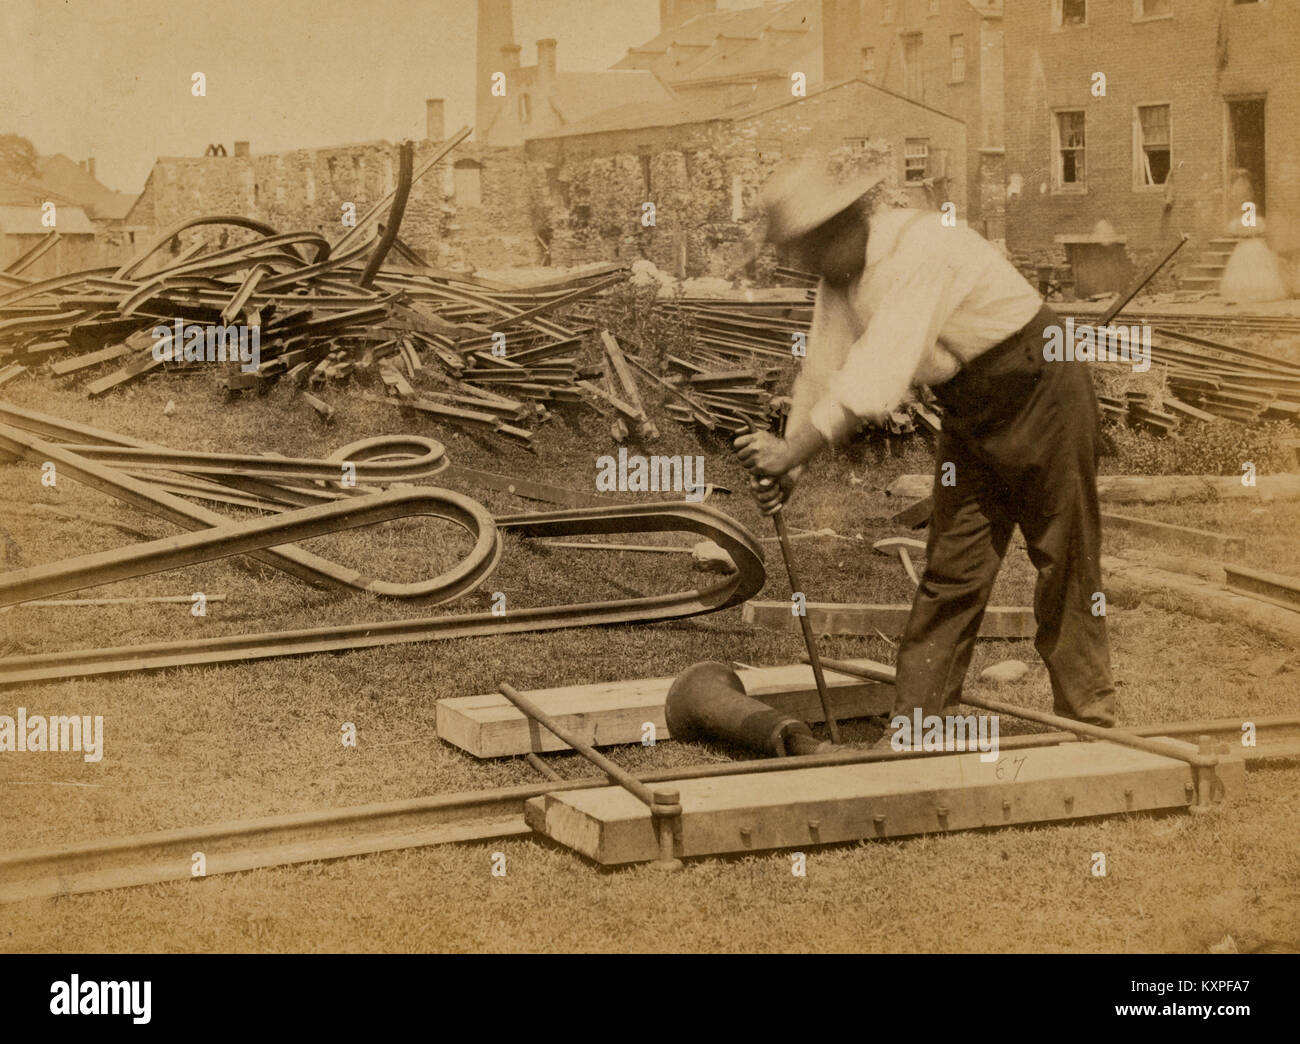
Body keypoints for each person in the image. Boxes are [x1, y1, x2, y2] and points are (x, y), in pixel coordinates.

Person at [734, 157, 1115, 732]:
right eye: (796, 252)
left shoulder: (919, 248)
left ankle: (1091, 717)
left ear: (844, 225)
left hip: (1042, 384)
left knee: (1063, 557)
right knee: (953, 566)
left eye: (807, 247)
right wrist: (790, 459)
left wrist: (794, 452)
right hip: (971, 404)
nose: (804, 263)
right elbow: (822, 369)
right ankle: (917, 724)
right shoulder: (839, 276)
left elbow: (877, 377)